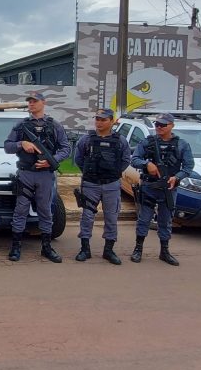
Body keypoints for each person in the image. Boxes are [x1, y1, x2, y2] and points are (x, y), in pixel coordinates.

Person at [4, 92, 71, 263]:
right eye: (29, 102)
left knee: (46, 212)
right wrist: (22, 144)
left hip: (45, 176)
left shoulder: (54, 125)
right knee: (20, 210)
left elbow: (65, 148)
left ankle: (46, 247)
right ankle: (16, 246)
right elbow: (7, 146)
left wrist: (52, 161)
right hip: (26, 174)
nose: (31, 104)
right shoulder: (21, 125)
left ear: (43, 102)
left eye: (35, 101)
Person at [129, 113, 194, 266]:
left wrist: (177, 177)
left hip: (168, 187)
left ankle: (164, 251)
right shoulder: (147, 142)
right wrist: (147, 164)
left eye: (163, 125)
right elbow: (134, 159)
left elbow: (189, 166)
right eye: (157, 124)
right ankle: (138, 249)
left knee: (166, 221)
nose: (159, 127)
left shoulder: (182, 144)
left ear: (172, 125)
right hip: (149, 186)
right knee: (144, 219)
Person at [73, 108, 131, 265]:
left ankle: (109, 250)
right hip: (91, 184)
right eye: (97, 119)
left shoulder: (120, 140)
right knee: (87, 217)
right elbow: (78, 159)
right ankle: (85, 249)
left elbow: (126, 160)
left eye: (103, 119)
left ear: (112, 121)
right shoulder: (86, 139)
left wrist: (113, 173)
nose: (99, 122)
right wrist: (90, 172)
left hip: (111, 185)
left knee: (111, 217)